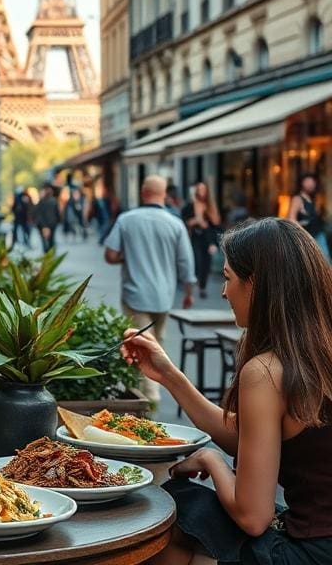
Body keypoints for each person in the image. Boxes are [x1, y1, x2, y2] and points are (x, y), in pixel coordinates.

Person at [123, 218, 332, 564]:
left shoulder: (267, 371)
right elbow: (251, 438)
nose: (223, 292)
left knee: (177, 510)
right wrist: (169, 375)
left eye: (227, 277)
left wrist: (211, 460)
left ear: (256, 285)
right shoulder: (314, 355)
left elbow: (253, 517)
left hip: (312, 552)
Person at [104, 175, 196, 404]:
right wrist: (188, 292)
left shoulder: (126, 220)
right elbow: (185, 262)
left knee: (139, 343)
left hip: (135, 293)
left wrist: (129, 257)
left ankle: (149, 397)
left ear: (143, 193)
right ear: (164, 195)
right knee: (157, 341)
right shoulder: (175, 223)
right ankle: (150, 389)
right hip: (164, 295)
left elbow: (110, 255)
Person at [181, 180, 222, 299]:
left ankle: (202, 287)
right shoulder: (190, 206)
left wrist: (214, 243)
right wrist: (196, 220)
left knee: (206, 264)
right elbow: (184, 221)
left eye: (203, 189)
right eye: (199, 189)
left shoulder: (211, 206)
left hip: (208, 239)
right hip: (194, 238)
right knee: (197, 262)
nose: (201, 192)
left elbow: (216, 225)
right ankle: (195, 284)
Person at [286, 173, 330, 260]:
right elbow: (291, 219)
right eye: (308, 182)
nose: (311, 185)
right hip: (308, 236)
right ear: (302, 183)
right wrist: (301, 225)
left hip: (318, 234)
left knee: (324, 262)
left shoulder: (312, 198)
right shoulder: (297, 199)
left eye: (312, 182)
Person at [34, 183, 61, 253]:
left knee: (47, 240)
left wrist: (43, 226)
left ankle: (48, 253)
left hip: (48, 224)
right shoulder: (53, 201)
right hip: (50, 224)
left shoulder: (43, 201)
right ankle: (50, 253)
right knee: (50, 240)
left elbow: (38, 214)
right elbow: (57, 213)